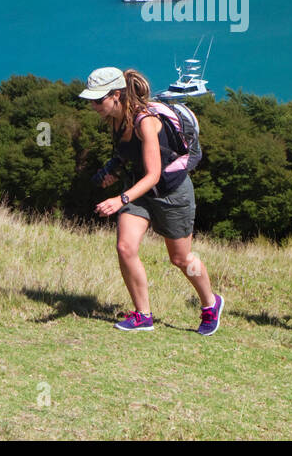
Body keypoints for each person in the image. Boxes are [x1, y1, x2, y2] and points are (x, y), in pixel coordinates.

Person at [80, 66, 223, 335]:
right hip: (139, 189)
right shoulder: (114, 119)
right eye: (91, 100)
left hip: (171, 192)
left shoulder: (145, 121)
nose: (94, 106)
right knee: (125, 247)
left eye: (98, 100)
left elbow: (154, 174)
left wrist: (119, 199)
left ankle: (210, 303)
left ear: (117, 95)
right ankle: (143, 315)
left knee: (181, 258)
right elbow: (128, 153)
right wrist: (112, 169)